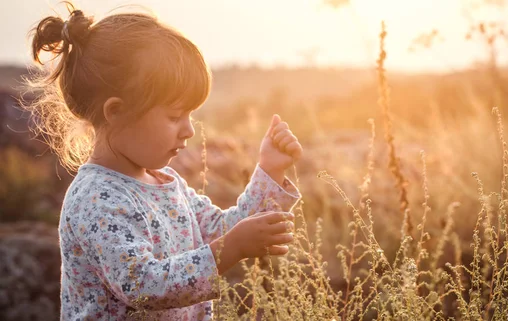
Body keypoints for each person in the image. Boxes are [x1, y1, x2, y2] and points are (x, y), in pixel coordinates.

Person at [26, 4, 303, 320]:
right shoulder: (96, 199)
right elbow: (142, 285)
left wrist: (269, 170)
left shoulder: (167, 183)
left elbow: (227, 228)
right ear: (115, 112)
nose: (188, 130)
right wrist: (231, 249)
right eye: (174, 116)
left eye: (190, 115)